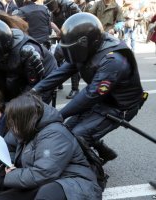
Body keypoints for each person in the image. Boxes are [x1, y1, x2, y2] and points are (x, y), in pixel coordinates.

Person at [32, 13, 144, 164]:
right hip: (102, 99)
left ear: (85, 42)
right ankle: (106, 152)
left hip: (119, 106)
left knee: (78, 136)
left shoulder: (114, 60)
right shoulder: (86, 49)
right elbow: (61, 72)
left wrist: (59, 114)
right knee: (66, 129)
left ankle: (94, 167)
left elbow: (90, 94)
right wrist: (34, 91)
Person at [0, 93, 102, 200]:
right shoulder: (24, 127)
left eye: (13, 121)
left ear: (25, 120)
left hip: (72, 183)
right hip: (42, 179)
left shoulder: (55, 134)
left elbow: (42, 173)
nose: (11, 126)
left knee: (47, 193)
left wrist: (10, 176)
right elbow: (7, 146)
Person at [0, 19, 57, 102]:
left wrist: (15, 105)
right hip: (20, 72)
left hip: (42, 78)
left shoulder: (28, 51)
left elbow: (34, 86)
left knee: (27, 107)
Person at [44, 0, 81, 99]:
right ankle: (59, 82)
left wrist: (65, 31)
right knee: (56, 57)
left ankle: (75, 89)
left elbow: (79, 20)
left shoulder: (70, 6)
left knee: (73, 60)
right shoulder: (51, 13)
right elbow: (52, 23)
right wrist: (57, 31)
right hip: (64, 38)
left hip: (76, 36)